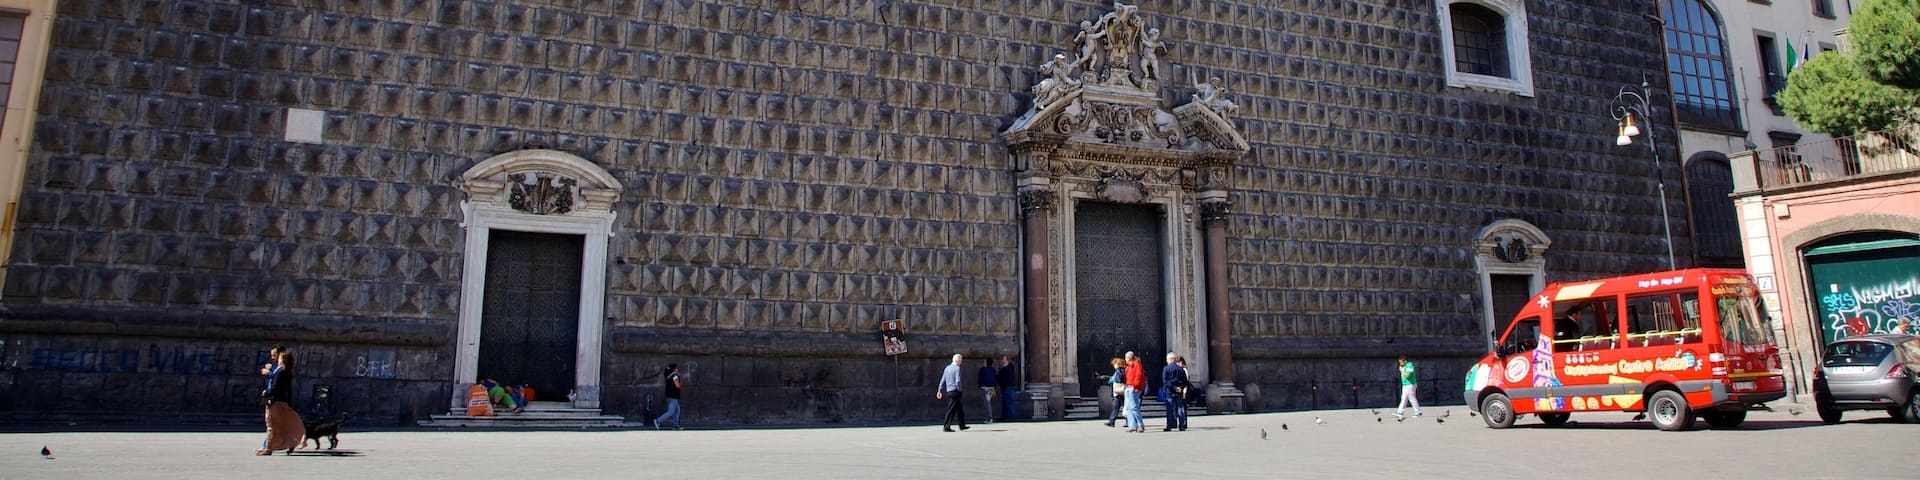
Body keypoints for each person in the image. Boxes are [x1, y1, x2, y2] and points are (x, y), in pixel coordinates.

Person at [256, 348, 306, 455]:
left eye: (278, 357)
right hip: (283, 401)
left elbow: (276, 386)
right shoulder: (287, 371)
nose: (276, 359)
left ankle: (268, 448)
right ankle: (290, 442)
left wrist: (266, 393)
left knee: (271, 425)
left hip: (275, 401)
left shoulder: (280, 371)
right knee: (283, 424)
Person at [936, 353, 969, 432]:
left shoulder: (947, 368)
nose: (961, 362)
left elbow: (943, 379)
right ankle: (946, 426)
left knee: (959, 408)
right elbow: (958, 381)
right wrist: (959, 389)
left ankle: (962, 425)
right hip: (955, 391)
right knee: (951, 409)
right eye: (961, 360)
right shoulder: (957, 368)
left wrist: (939, 390)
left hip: (949, 390)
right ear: (958, 360)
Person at [1161, 352, 1190, 432]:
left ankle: (1170, 425)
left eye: (1167, 359)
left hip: (1169, 392)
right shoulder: (1181, 369)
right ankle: (1182, 425)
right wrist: (1180, 388)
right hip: (1179, 392)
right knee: (1180, 408)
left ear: (1170, 359)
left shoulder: (1166, 369)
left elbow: (1165, 381)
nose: (1166, 361)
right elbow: (1185, 381)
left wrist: (1173, 387)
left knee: (1170, 409)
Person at [1123, 351, 1147, 433]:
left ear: (1129, 358)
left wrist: (1135, 386)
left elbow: (1138, 376)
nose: (1125, 359)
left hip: (1134, 388)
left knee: (1133, 407)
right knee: (1129, 407)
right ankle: (1132, 426)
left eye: (1126, 357)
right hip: (1128, 387)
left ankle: (1140, 425)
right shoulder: (1128, 367)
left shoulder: (1136, 365)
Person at [654, 363, 683, 430]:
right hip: (673, 396)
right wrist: (680, 381)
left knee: (677, 411)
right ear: (674, 369)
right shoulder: (675, 376)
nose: (677, 369)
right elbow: (678, 385)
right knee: (671, 411)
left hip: (670, 396)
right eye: (676, 368)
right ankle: (658, 420)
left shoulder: (669, 376)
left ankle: (675, 425)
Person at [1104, 357, 1126, 427]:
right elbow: (1113, 379)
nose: (1114, 366)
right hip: (1118, 391)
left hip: (1121, 390)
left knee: (1124, 407)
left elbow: (1119, 378)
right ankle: (1112, 421)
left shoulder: (1121, 370)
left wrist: (1118, 369)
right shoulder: (1118, 371)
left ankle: (1129, 421)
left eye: (1115, 364)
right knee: (1116, 407)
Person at [996, 355, 1019, 421]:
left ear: (1007, 360)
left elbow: (1006, 377)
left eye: (1004, 359)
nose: (1002, 361)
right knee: (1005, 402)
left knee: (1009, 402)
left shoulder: (1009, 368)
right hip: (1005, 387)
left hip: (1008, 387)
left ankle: (1010, 417)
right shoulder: (1005, 368)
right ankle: (1005, 416)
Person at [976, 359, 997, 424]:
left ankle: (989, 418)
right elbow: (995, 379)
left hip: (985, 388)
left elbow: (980, 378)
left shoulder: (982, 370)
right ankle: (988, 417)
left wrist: (979, 386)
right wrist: (994, 389)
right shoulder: (993, 370)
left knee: (987, 404)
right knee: (988, 403)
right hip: (991, 388)